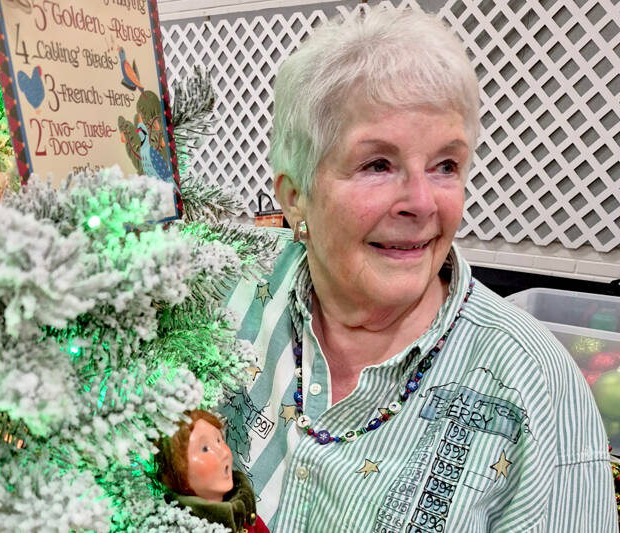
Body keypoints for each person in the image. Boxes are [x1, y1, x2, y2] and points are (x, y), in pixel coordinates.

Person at [219, 7, 614, 532]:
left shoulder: (533, 384)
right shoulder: (226, 290)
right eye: (377, 164)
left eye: (445, 165)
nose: (423, 203)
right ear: (295, 198)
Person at [156, 410, 269, 532]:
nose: (224, 452)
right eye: (205, 448)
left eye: (219, 440)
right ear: (175, 468)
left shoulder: (244, 514)